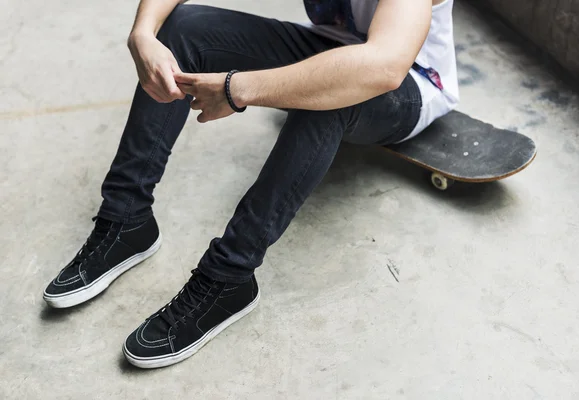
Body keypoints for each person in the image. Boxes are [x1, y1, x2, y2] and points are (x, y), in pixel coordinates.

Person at [43, 0, 459, 368]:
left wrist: (236, 89)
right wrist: (143, 32)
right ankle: (125, 217)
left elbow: (383, 66)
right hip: (328, 47)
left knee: (332, 97)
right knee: (182, 26)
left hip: (408, 84)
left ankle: (229, 276)